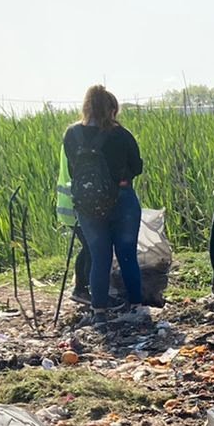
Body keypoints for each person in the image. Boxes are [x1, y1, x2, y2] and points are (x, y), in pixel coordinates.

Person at [63, 85, 145, 322]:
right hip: (122, 199)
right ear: (111, 109)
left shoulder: (71, 134)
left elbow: (72, 168)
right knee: (127, 254)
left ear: (86, 106)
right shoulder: (120, 134)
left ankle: (98, 310)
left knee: (99, 257)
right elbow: (137, 166)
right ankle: (136, 306)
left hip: (87, 203)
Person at [54, 152, 90, 303]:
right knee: (91, 247)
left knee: (89, 247)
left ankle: (83, 287)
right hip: (75, 206)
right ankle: (81, 289)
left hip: (69, 204)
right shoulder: (78, 139)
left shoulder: (72, 138)